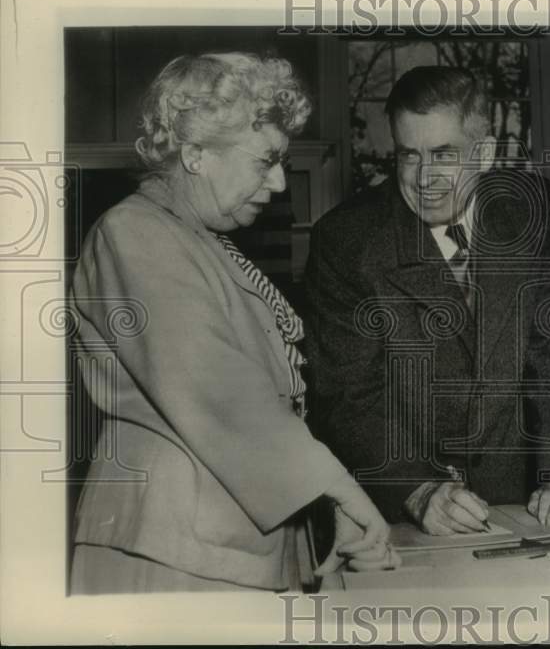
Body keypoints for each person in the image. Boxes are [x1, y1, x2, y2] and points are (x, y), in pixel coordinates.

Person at [69, 52, 398, 595]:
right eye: (264, 161)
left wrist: (319, 502)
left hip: (225, 546)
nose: (275, 184)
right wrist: (339, 488)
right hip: (170, 552)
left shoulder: (202, 240)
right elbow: (216, 385)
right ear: (196, 154)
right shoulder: (134, 231)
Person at [303, 66, 550, 533]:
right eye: (408, 156)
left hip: (520, 506)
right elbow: (349, 395)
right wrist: (417, 489)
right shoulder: (346, 240)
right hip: (397, 510)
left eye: (444, 154)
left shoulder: (531, 213)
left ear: (487, 152)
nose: (424, 177)